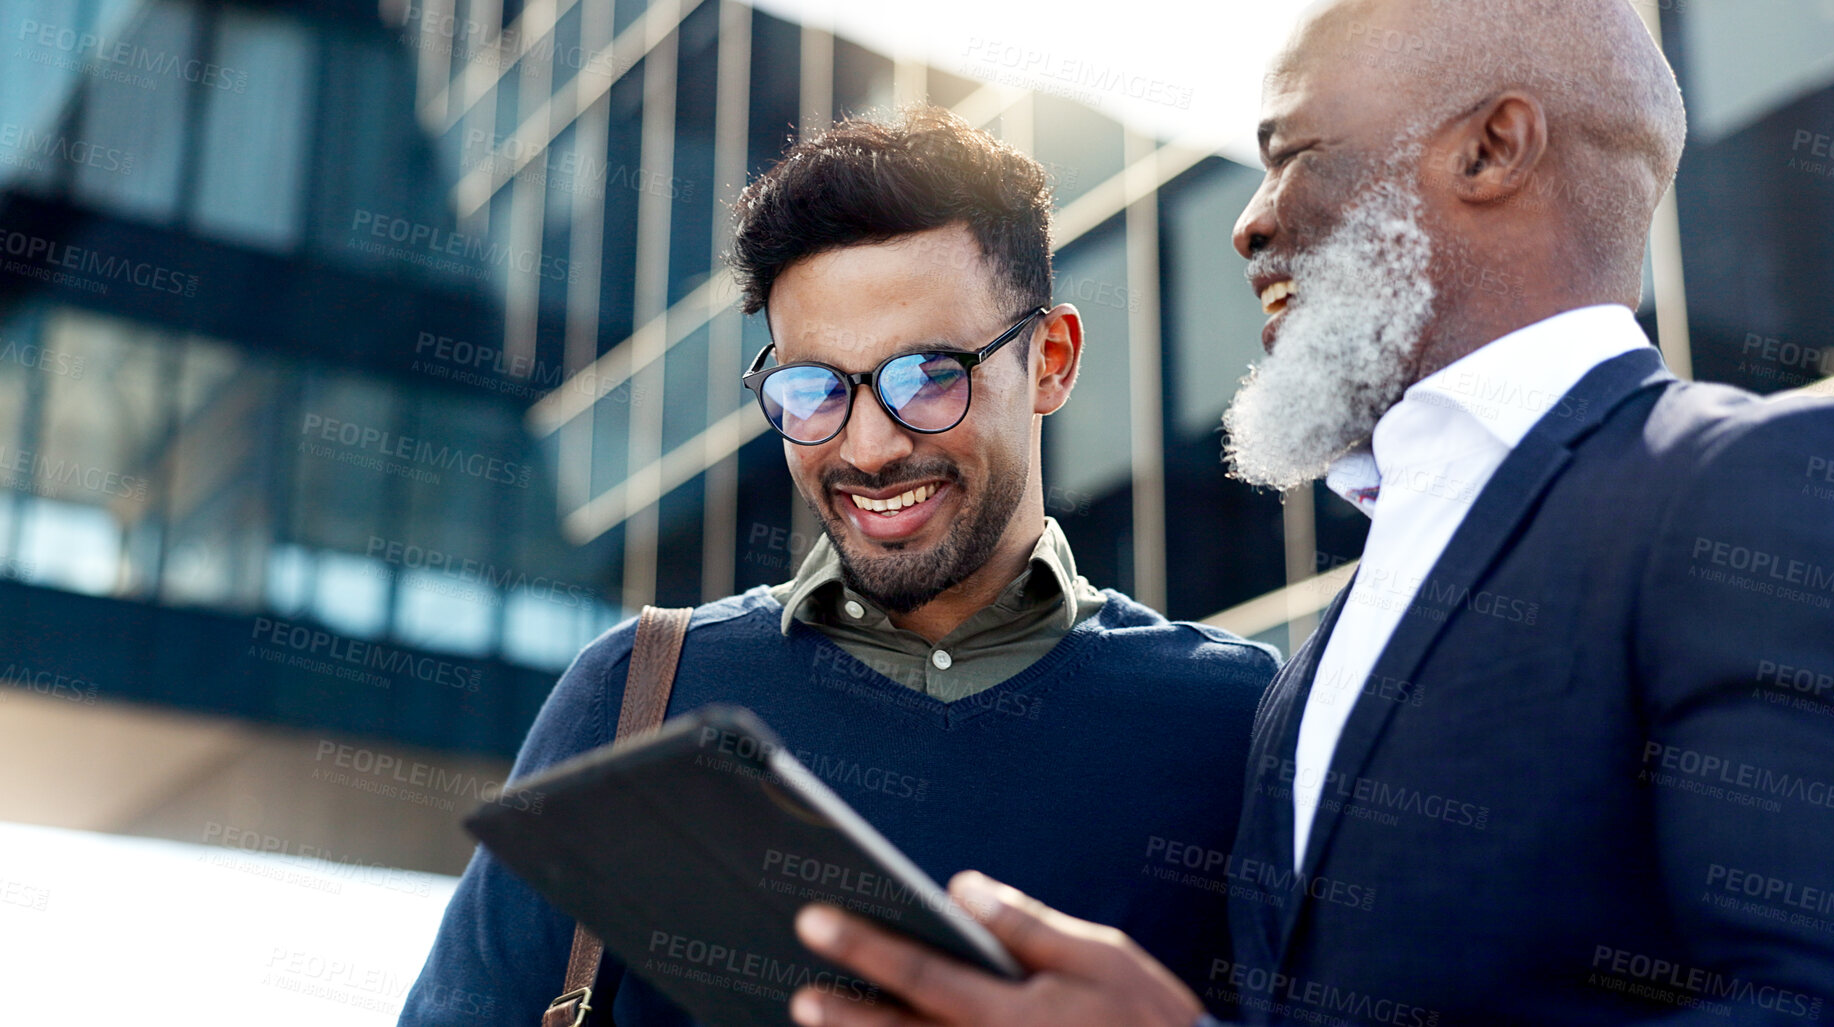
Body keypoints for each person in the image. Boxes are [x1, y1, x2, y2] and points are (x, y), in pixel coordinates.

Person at [782, 2, 1834, 1025]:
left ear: (1492, 148)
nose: (1250, 222)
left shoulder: (1760, 489)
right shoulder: (1321, 655)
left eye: (1291, 153)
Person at [397, 106, 1280, 1026]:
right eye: (813, 390)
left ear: (1049, 360)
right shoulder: (635, 697)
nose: (867, 446)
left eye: (928, 375)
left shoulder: (1242, 722)